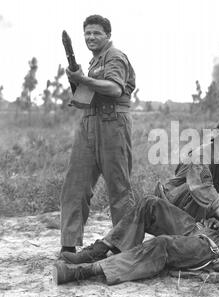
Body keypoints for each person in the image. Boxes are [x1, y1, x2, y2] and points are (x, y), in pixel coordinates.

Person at [59, 119, 219, 264]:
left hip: (194, 214)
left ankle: (202, 227)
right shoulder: (202, 153)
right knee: (154, 201)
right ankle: (101, 249)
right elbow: (202, 187)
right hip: (172, 207)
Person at [53, 196, 219, 285]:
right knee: (151, 204)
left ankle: (84, 271)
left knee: (163, 245)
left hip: (211, 248)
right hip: (205, 231)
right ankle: (98, 251)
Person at [60, 15, 136, 255]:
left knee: (119, 188)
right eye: (87, 33)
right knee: (75, 185)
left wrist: (83, 79)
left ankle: (126, 247)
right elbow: (83, 99)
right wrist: (77, 79)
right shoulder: (94, 63)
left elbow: (114, 88)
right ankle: (69, 245)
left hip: (112, 123)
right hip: (89, 123)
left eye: (96, 33)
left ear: (108, 36)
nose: (90, 37)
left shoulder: (115, 57)